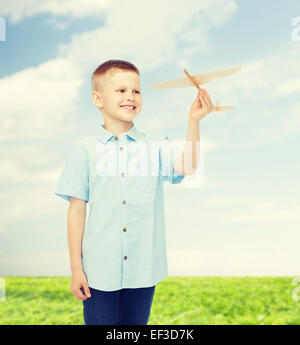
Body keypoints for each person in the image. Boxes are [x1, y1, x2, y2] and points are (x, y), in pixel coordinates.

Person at [55, 59, 214, 325]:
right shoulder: (84, 151)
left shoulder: (155, 147)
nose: (131, 96)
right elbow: (77, 210)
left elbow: (188, 165)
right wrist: (75, 268)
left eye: (136, 91)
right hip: (98, 270)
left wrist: (194, 121)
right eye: (121, 90)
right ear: (98, 99)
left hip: (143, 269)